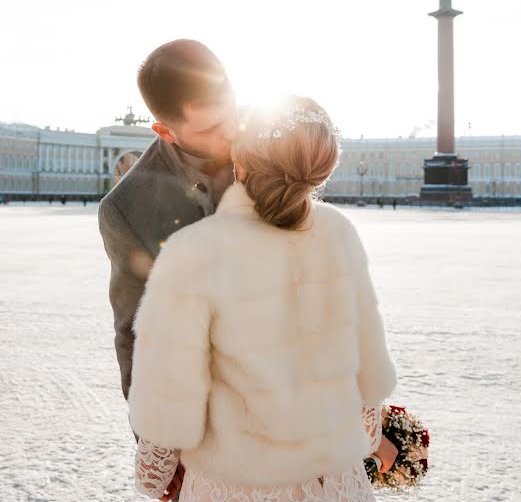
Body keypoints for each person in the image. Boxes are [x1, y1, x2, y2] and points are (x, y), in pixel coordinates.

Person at [128, 97, 398, 501]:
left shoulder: (193, 251)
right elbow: (364, 392)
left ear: (241, 160)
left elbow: (168, 396)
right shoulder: (339, 236)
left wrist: (156, 477)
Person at [98, 39, 239, 498]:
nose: (235, 130)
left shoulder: (271, 141)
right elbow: (135, 333)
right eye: (215, 127)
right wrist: (157, 448)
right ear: (164, 130)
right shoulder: (130, 209)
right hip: (212, 420)